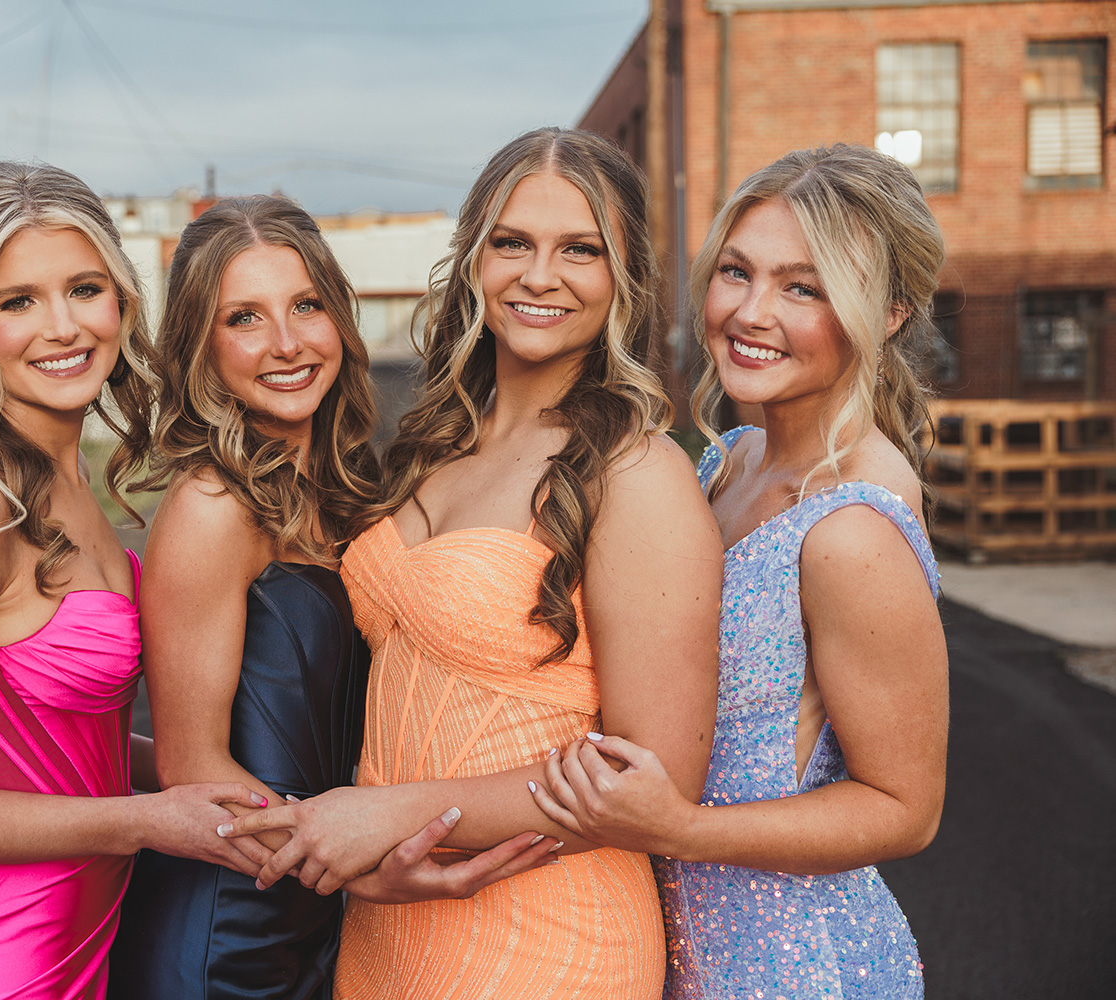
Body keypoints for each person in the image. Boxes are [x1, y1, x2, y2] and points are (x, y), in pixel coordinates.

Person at [221, 128, 724, 1000]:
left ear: (624, 277)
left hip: (547, 937)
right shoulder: (432, 443)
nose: (540, 276)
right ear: (473, 259)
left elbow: (652, 777)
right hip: (387, 916)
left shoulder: (637, 473)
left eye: (580, 250)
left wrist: (395, 812)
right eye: (512, 243)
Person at [108, 195, 558, 999]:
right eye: (244, 318)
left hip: (313, 913)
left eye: (307, 306)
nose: (286, 343)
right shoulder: (212, 507)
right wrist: (354, 865)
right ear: (201, 347)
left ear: (339, 320)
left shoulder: (347, 490)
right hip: (226, 926)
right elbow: (191, 766)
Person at [530, 144, 950, 999]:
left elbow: (905, 811)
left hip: (794, 968)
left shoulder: (851, 530)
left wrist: (680, 829)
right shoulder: (730, 460)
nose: (751, 313)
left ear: (890, 312)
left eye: (804, 288)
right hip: (676, 949)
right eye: (737, 271)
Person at [0, 162, 271, 1000]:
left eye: (84, 288)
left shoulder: (64, 477)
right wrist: (147, 820)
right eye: (17, 301)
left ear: (121, 298)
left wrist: (218, 788)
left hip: (78, 946)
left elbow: (59, 748)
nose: (63, 326)